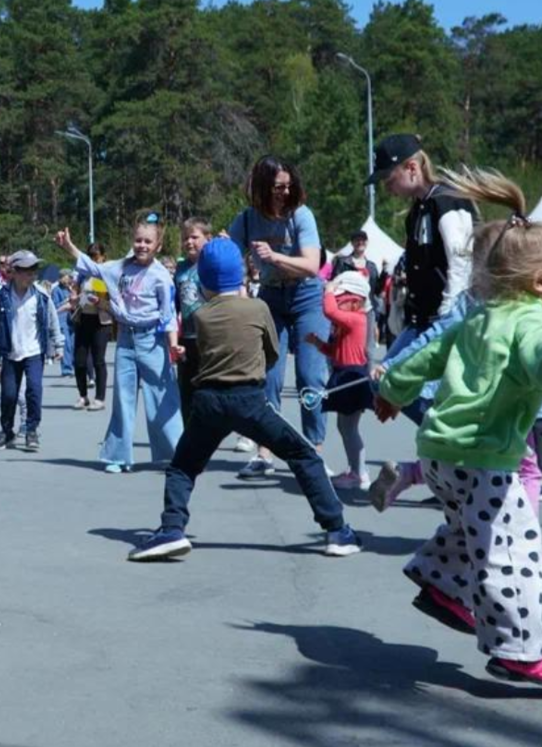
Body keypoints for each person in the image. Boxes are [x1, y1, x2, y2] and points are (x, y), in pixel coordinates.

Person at [377, 167, 542, 689]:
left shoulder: (479, 315)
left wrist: (391, 392)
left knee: (475, 529)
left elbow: (423, 357)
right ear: (538, 282)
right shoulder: (531, 320)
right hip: (483, 460)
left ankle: (444, 584)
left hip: (441, 456)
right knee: (516, 554)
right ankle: (519, 649)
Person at [127, 237, 362, 562]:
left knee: (183, 466)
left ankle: (172, 528)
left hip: (208, 401)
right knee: (303, 455)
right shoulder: (258, 307)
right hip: (249, 399)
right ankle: (337, 530)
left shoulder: (202, 316)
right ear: (240, 274)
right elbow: (272, 354)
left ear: (204, 279)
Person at [362, 134, 477, 502]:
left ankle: (453, 456)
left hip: (449, 313)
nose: (387, 185)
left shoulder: (447, 201)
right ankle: (449, 461)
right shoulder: (418, 209)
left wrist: (446, 314)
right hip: (421, 316)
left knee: (395, 379)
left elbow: (460, 261)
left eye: (389, 176)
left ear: (411, 167)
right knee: (383, 380)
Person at [228, 156, 330, 479]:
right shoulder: (246, 220)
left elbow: (312, 265)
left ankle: (313, 451)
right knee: (267, 376)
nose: (284, 193)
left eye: (288, 186)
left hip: (307, 296)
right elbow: (227, 257)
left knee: (310, 376)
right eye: (276, 187)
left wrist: (274, 256)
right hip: (270, 297)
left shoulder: (302, 216)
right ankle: (264, 453)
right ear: (261, 187)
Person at [57, 219, 181, 473]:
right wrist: (70, 247)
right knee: (123, 398)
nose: (142, 245)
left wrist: (173, 347)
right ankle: (118, 455)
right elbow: (92, 267)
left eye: (148, 241)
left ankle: (177, 455)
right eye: (138, 240)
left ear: (158, 246)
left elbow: (168, 316)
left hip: (152, 341)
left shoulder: (161, 277)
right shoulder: (119, 268)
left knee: (162, 398)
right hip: (125, 339)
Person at [0, 251, 64, 452]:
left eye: (33, 271)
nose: (31, 276)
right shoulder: (2, 297)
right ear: (14, 272)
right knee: (9, 395)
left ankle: (31, 430)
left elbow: (52, 321)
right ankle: (7, 432)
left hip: (34, 352)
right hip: (10, 352)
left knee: (34, 391)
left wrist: (59, 344)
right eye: (26, 272)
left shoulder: (41, 296)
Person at [307, 271, 375, 490]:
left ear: (355, 301)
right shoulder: (348, 324)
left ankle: (359, 473)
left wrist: (328, 289)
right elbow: (336, 351)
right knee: (345, 427)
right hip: (344, 373)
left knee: (349, 428)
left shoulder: (357, 319)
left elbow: (328, 310)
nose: (336, 302)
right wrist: (319, 344)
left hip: (352, 376)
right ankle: (356, 468)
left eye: (340, 299)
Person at [173, 218, 212, 412]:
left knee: (210, 388)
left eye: (195, 237)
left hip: (210, 337)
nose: (189, 242)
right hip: (187, 337)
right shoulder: (180, 268)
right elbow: (175, 305)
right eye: (185, 238)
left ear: (208, 238)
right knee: (186, 389)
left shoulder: (213, 263)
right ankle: (189, 435)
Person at [72, 243, 113, 411]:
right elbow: (75, 292)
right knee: (80, 361)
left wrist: (100, 300)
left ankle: (100, 398)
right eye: (90, 256)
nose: (93, 259)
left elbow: (113, 299)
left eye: (96, 256)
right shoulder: (82, 274)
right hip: (83, 319)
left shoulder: (107, 274)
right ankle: (83, 396)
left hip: (101, 321)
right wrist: (75, 298)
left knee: (98, 360)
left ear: (103, 257)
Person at [50, 270, 75, 377]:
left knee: (74, 344)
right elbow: (54, 307)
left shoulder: (71, 289)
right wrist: (65, 302)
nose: (69, 279)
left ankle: (73, 365)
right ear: (61, 278)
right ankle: (66, 369)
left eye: (70, 277)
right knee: (66, 345)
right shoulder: (56, 290)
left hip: (72, 319)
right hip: (62, 319)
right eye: (67, 277)